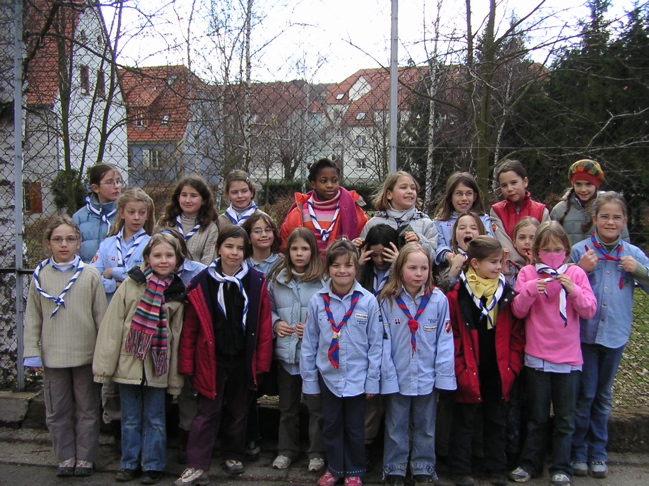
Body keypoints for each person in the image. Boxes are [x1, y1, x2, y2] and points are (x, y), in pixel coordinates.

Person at [175, 226, 273, 486]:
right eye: (229, 246)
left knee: (239, 410)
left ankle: (233, 454)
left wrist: (262, 362)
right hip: (211, 358)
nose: (234, 253)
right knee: (207, 411)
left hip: (243, 357)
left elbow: (264, 325)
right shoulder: (201, 282)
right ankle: (197, 464)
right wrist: (187, 363)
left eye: (240, 248)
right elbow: (190, 328)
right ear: (218, 248)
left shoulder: (256, 281)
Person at [93, 233, 186, 484]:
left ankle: (153, 464)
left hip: (158, 365)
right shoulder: (131, 284)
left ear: (177, 260)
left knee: (155, 418)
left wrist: (175, 378)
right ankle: (129, 463)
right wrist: (105, 367)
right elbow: (113, 326)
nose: (163, 260)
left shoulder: (177, 292)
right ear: (147, 258)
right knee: (130, 418)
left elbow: (176, 336)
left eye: (169, 255)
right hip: (128, 362)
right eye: (157, 255)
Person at [509, 222, 597, 486]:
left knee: (565, 419)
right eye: (546, 250)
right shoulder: (527, 273)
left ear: (567, 250)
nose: (552, 255)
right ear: (536, 251)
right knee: (536, 417)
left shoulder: (576, 274)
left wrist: (573, 290)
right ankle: (530, 464)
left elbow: (589, 310)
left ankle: (561, 466)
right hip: (537, 357)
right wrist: (529, 291)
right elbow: (518, 311)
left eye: (558, 250)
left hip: (569, 360)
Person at [570, 192, 649, 479]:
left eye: (616, 217)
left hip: (615, 334)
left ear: (624, 221)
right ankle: (578, 452)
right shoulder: (580, 251)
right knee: (585, 395)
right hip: (585, 335)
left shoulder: (633, 254)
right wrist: (581, 269)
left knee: (603, 396)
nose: (610, 222)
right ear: (594, 219)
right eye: (604, 216)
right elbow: (563, 287)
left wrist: (638, 270)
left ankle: (598, 452)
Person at [23, 216, 107, 478]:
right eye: (57, 239)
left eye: (70, 239)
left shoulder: (90, 275)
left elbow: (101, 318)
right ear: (48, 243)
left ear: (79, 243)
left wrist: (103, 356)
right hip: (53, 356)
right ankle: (65, 456)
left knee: (87, 408)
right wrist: (32, 353)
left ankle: (85, 457)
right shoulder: (40, 276)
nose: (64, 244)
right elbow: (33, 317)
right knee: (57, 409)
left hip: (85, 355)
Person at [300, 239, 382, 486]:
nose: (342, 271)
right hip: (328, 377)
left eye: (348, 265)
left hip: (358, 377)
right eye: (336, 266)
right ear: (328, 270)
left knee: (356, 427)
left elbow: (376, 344)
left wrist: (372, 380)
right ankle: (335, 468)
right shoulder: (317, 301)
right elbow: (309, 343)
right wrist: (310, 381)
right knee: (331, 425)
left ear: (357, 268)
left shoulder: (368, 301)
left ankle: (354, 470)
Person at [446, 236, 524, 486]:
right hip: (468, 368)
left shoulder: (506, 293)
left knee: (496, 420)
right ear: (475, 263)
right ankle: (460, 469)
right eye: (493, 262)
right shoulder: (458, 295)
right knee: (464, 421)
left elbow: (516, 335)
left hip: (499, 368)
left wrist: (512, 367)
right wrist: (459, 367)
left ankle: (496, 468)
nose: (499, 267)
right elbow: (452, 335)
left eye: (500, 261)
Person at [379, 243, 456, 485]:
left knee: (426, 424)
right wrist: (387, 375)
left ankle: (423, 466)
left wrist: (443, 376)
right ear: (400, 269)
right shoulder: (387, 300)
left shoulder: (438, 300)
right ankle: (395, 467)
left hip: (426, 375)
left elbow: (445, 340)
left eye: (424, 268)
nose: (418, 273)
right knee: (395, 424)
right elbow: (383, 342)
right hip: (398, 374)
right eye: (412, 268)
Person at [268, 228, 327, 472]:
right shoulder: (277, 279)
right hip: (287, 355)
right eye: (294, 249)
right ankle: (286, 450)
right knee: (287, 407)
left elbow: (331, 314)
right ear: (287, 251)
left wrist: (314, 328)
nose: (299, 254)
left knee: (316, 408)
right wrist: (276, 323)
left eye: (304, 248)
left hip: (313, 357)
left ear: (313, 251)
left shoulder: (323, 281)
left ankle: (316, 453)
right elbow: (267, 309)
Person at [357, 224, 399, 464]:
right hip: (366, 342)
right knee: (370, 399)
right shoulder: (363, 273)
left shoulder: (400, 272)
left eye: (386, 254)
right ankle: (364, 445)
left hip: (395, 341)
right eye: (375, 255)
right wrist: (359, 266)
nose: (380, 260)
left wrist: (397, 265)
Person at [280, 158, 368, 253]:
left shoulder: (353, 210)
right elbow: (285, 244)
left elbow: (364, 237)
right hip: (308, 262)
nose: (330, 185)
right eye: (323, 181)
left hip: (342, 262)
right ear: (313, 184)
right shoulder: (300, 212)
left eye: (334, 180)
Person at [92, 188, 155, 303]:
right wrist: (114, 285)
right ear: (121, 213)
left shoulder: (152, 244)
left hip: (138, 305)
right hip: (109, 306)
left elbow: (145, 278)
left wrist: (113, 271)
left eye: (142, 213)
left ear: (147, 215)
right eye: (131, 212)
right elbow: (93, 277)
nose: (136, 217)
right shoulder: (107, 244)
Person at [356, 171, 437, 258]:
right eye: (403, 187)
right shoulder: (374, 223)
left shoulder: (426, 223)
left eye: (413, 188)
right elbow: (363, 254)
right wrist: (357, 246)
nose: (410, 191)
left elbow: (433, 258)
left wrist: (420, 241)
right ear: (389, 194)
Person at [550, 159, 629, 246]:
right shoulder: (559, 210)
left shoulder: (609, 208)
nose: (583, 189)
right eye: (578, 184)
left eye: (588, 184)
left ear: (596, 185)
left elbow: (624, 241)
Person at [490, 159, 549, 268]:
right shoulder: (496, 211)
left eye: (514, 183)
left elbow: (546, 242)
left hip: (538, 267)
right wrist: (520, 266)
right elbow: (503, 243)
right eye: (504, 185)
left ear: (525, 182)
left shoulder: (541, 211)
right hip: (508, 268)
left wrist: (535, 263)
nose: (509, 189)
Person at [433, 172, 493, 265]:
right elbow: (438, 246)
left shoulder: (483, 219)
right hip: (450, 266)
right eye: (459, 193)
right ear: (450, 196)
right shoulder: (439, 222)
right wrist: (449, 256)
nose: (464, 198)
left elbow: (490, 243)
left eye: (469, 193)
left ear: (475, 196)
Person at [158, 175, 219, 265]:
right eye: (184, 195)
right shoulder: (165, 222)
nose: (187, 200)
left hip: (196, 274)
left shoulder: (210, 228)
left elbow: (207, 263)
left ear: (203, 200)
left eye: (193, 196)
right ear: (178, 198)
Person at [73, 163, 123, 263]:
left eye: (118, 181)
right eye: (109, 182)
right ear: (95, 188)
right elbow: (73, 252)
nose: (117, 186)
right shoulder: (79, 217)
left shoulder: (126, 213)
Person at [434, 211, 487, 293]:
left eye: (473, 228)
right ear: (455, 235)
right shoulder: (450, 258)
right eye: (462, 228)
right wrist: (455, 268)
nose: (468, 231)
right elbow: (443, 289)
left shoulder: (488, 255)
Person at [502, 217, 540, 286]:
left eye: (532, 238)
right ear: (514, 242)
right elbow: (512, 290)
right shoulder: (509, 264)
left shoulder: (543, 264)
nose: (527, 242)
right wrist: (506, 271)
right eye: (522, 238)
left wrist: (531, 270)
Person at [242, 211, 282, 275]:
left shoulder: (283, 263)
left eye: (268, 230)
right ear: (248, 238)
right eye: (257, 231)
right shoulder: (242, 265)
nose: (264, 235)